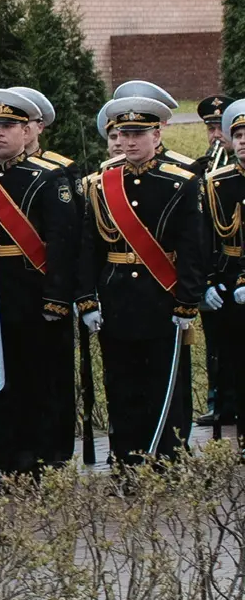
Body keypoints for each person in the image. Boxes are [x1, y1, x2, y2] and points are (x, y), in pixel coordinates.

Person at [78, 95, 208, 467]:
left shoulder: (180, 183)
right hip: (116, 298)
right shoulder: (99, 185)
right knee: (121, 384)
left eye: (138, 133)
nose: (129, 141)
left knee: (162, 385)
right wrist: (87, 299)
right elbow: (88, 248)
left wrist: (187, 303)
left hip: (161, 297)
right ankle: (126, 461)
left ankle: (166, 460)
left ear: (156, 135)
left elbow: (193, 249)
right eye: (123, 134)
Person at [0, 89, 80, 478]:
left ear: (27, 131)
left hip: (34, 293)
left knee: (40, 380)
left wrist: (57, 297)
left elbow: (63, 242)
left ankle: (42, 460)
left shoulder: (48, 178)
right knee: (2, 385)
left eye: (7, 126)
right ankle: (7, 459)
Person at [196, 93, 235, 430]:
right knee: (217, 342)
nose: (216, 135)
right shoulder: (203, 168)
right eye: (211, 128)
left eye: (221, 127)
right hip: (216, 270)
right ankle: (219, 400)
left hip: (236, 268)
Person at [210, 100, 245, 437]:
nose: (243, 140)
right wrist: (210, 281)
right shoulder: (217, 182)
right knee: (235, 362)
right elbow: (206, 238)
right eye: (238, 135)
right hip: (231, 282)